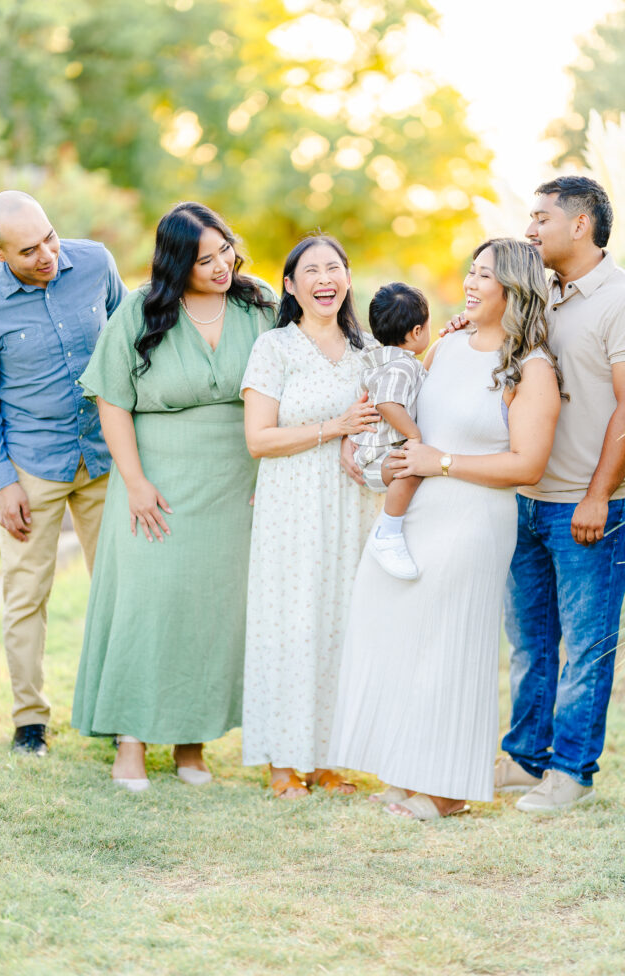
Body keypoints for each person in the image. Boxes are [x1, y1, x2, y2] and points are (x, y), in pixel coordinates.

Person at [329, 238, 563, 821]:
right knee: (401, 632)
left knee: (450, 645)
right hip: (419, 510)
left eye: (485, 275)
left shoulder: (529, 368)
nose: (470, 281)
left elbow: (527, 465)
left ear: (513, 288)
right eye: (471, 270)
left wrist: (444, 464)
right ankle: (407, 767)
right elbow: (411, 418)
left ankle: (447, 788)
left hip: (475, 517)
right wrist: (385, 458)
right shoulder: (447, 345)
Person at [71, 202, 276, 791]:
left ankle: (192, 744)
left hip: (232, 486)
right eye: (202, 259)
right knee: (146, 606)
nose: (219, 266)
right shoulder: (141, 309)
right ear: (176, 262)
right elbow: (112, 400)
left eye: (224, 252)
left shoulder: (256, 303)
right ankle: (129, 742)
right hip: (155, 483)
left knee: (210, 613)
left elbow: (318, 342)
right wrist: (133, 482)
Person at [491, 177, 625, 813]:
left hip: (593, 505)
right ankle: (525, 757)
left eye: (540, 217)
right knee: (532, 642)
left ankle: (571, 770)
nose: (530, 229)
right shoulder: (540, 295)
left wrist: (597, 497)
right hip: (529, 498)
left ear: (581, 224)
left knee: (586, 646)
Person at [0, 190, 126, 757]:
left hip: (106, 458)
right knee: (25, 595)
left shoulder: (95, 264)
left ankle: (122, 710)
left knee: (120, 588)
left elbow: (130, 347)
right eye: (28, 250)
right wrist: (4, 480)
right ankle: (29, 722)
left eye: (50, 237)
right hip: (32, 465)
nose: (47, 255)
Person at [241, 234, 382, 798]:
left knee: (342, 624)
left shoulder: (369, 349)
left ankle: (329, 758)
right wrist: (334, 429)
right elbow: (259, 439)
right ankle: (282, 763)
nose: (325, 279)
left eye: (334, 268)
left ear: (347, 278)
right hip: (290, 507)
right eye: (312, 271)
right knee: (290, 624)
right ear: (291, 285)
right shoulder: (274, 348)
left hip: (352, 504)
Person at [351, 282, 430, 581]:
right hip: (377, 458)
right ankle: (388, 534)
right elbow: (387, 403)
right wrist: (414, 435)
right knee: (411, 469)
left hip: (375, 454)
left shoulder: (389, 361)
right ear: (417, 332)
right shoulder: (400, 367)